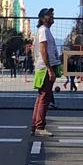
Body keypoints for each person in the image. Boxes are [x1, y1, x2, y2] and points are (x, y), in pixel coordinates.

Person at [31, 8, 59, 137]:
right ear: (42, 18)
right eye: (49, 14)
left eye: (52, 14)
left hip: (44, 67)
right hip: (44, 68)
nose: (52, 16)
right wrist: (49, 69)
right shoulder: (43, 30)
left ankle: (35, 125)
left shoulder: (46, 31)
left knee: (42, 96)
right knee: (44, 97)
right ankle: (39, 127)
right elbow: (43, 51)